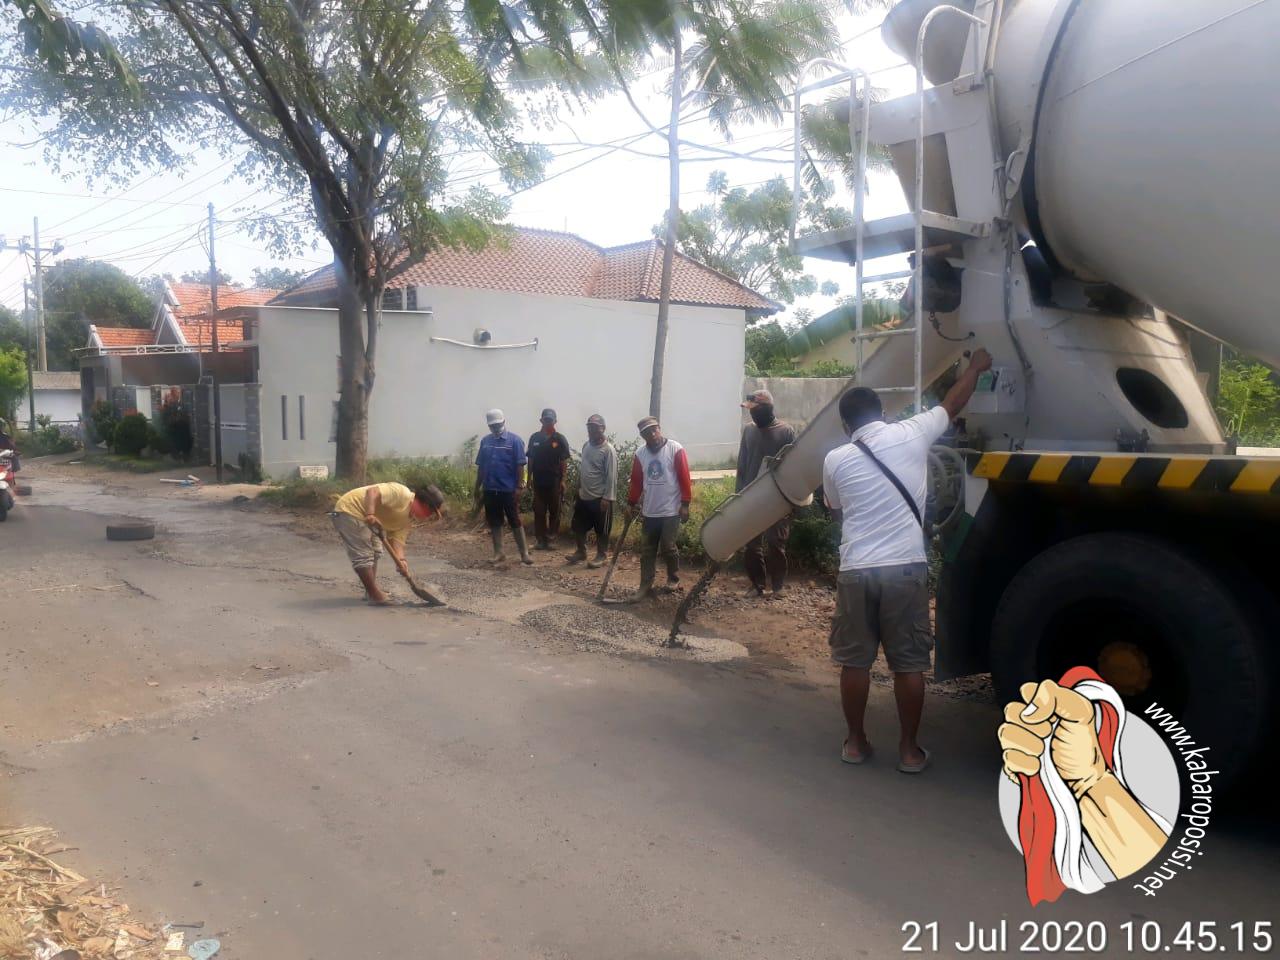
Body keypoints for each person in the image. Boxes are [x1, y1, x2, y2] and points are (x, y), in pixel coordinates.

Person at [821, 348, 992, 773]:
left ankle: (857, 743)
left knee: (855, 662)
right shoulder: (913, 432)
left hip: (857, 568)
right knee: (909, 664)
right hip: (904, 568)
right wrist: (974, 367)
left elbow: (835, 506)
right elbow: (953, 403)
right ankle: (909, 750)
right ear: (882, 412)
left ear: (846, 425)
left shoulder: (835, 459)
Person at [329, 481, 445, 604]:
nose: (429, 516)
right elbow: (372, 492)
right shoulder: (401, 493)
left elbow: (397, 542)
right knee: (364, 556)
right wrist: (370, 514)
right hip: (351, 509)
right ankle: (375, 595)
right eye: (431, 513)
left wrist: (401, 561)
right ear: (426, 505)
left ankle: (371, 592)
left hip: (368, 521)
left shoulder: (407, 521)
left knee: (376, 552)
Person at [737, 389, 797, 598]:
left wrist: (791, 500)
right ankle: (757, 585)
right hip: (751, 497)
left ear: (767, 409)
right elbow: (742, 465)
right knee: (751, 545)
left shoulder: (786, 432)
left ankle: (778, 586)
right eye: (750, 411)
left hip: (777, 498)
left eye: (755, 410)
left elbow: (793, 467)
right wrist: (738, 496)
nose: (752, 415)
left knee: (776, 543)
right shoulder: (749, 431)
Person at [626, 416, 692, 602]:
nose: (652, 434)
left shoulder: (675, 449)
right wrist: (631, 504)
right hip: (650, 511)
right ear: (642, 436)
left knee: (668, 546)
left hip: (671, 510)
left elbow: (684, 477)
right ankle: (645, 585)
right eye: (647, 432)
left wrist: (685, 503)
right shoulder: (641, 454)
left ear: (659, 429)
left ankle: (673, 578)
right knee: (647, 550)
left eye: (654, 430)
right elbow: (637, 482)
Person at [475, 408, 533, 565]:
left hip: (508, 489)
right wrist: (477, 487)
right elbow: (481, 466)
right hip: (489, 488)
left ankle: (524, 553)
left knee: (514, 520)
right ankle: (498, 552)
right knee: (494, 521)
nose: (495, 427)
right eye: (492, 425)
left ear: (504, 422)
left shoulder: (515, 441)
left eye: (498, 424)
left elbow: (520, 465)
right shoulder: (485, 442)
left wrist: (519, 487)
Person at [567, 414, 618, 568]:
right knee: (577, 525)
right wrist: (578, 488)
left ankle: (601, 556)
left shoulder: (608, 450)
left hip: (600, 498)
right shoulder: (586, 446)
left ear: (602, 429)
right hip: (584, 495)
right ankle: (581, 552)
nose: (592, 430)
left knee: (601, 529)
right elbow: (584, 469)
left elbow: (612, 476)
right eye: (589, 427)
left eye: (595, 427)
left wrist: (607, 498)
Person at [526, 407, 571, 550]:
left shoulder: (560, 439)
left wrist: (563, 480)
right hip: (538, 482)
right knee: (539, 511)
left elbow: (563, 461)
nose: (548, 422)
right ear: (541, 420)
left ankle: (551, 539)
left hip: (554, 482)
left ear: (555, 421)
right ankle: (540, 540)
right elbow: (531, 459)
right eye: (546, 419)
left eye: (550, 420)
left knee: (555, 512)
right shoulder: (534, 438)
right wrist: (528, 479)